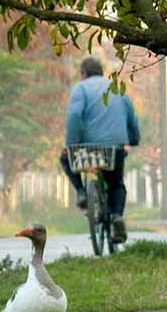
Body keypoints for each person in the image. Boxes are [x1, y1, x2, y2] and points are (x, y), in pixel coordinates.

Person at [60, 56, 140, 243]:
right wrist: (133, 140)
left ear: (84, 73)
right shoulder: (117, 88)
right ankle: (117, 217)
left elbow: (74, 116)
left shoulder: (80, 89)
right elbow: (132, 119)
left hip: (87, 150)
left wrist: (72, 145)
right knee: (116, 184)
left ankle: (80, 191)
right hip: (115, 147)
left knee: (65, 159)